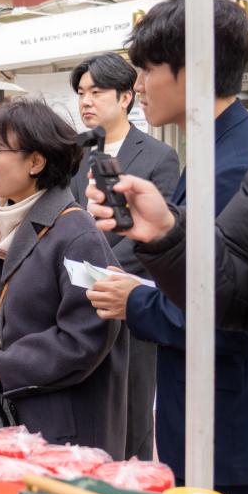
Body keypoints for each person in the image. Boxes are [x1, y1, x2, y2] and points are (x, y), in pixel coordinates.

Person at [84, 0, 248, 494]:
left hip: (225, 425)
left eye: (147, 70)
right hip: (212, 412)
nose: (138, 85)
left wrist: (136, 302)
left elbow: (230, 315)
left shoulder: (234, 167)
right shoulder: (220, 149)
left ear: (197, 68)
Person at [0, 99, 129, 458]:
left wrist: (4, 364)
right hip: (12, 417)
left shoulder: (76, 232)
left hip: (63, 428)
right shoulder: (1, 221)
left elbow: (85, 336)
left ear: (35, 162)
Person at [69, 52, 180, 460]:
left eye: (96, 92)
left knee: (132, 415)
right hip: (78, 304)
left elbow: (154, 236)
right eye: (81, 92)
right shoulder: (73, 154)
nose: (85, 101)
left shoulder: (157, 156)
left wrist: (97, 270)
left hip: (131, 302)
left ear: (126, 97)